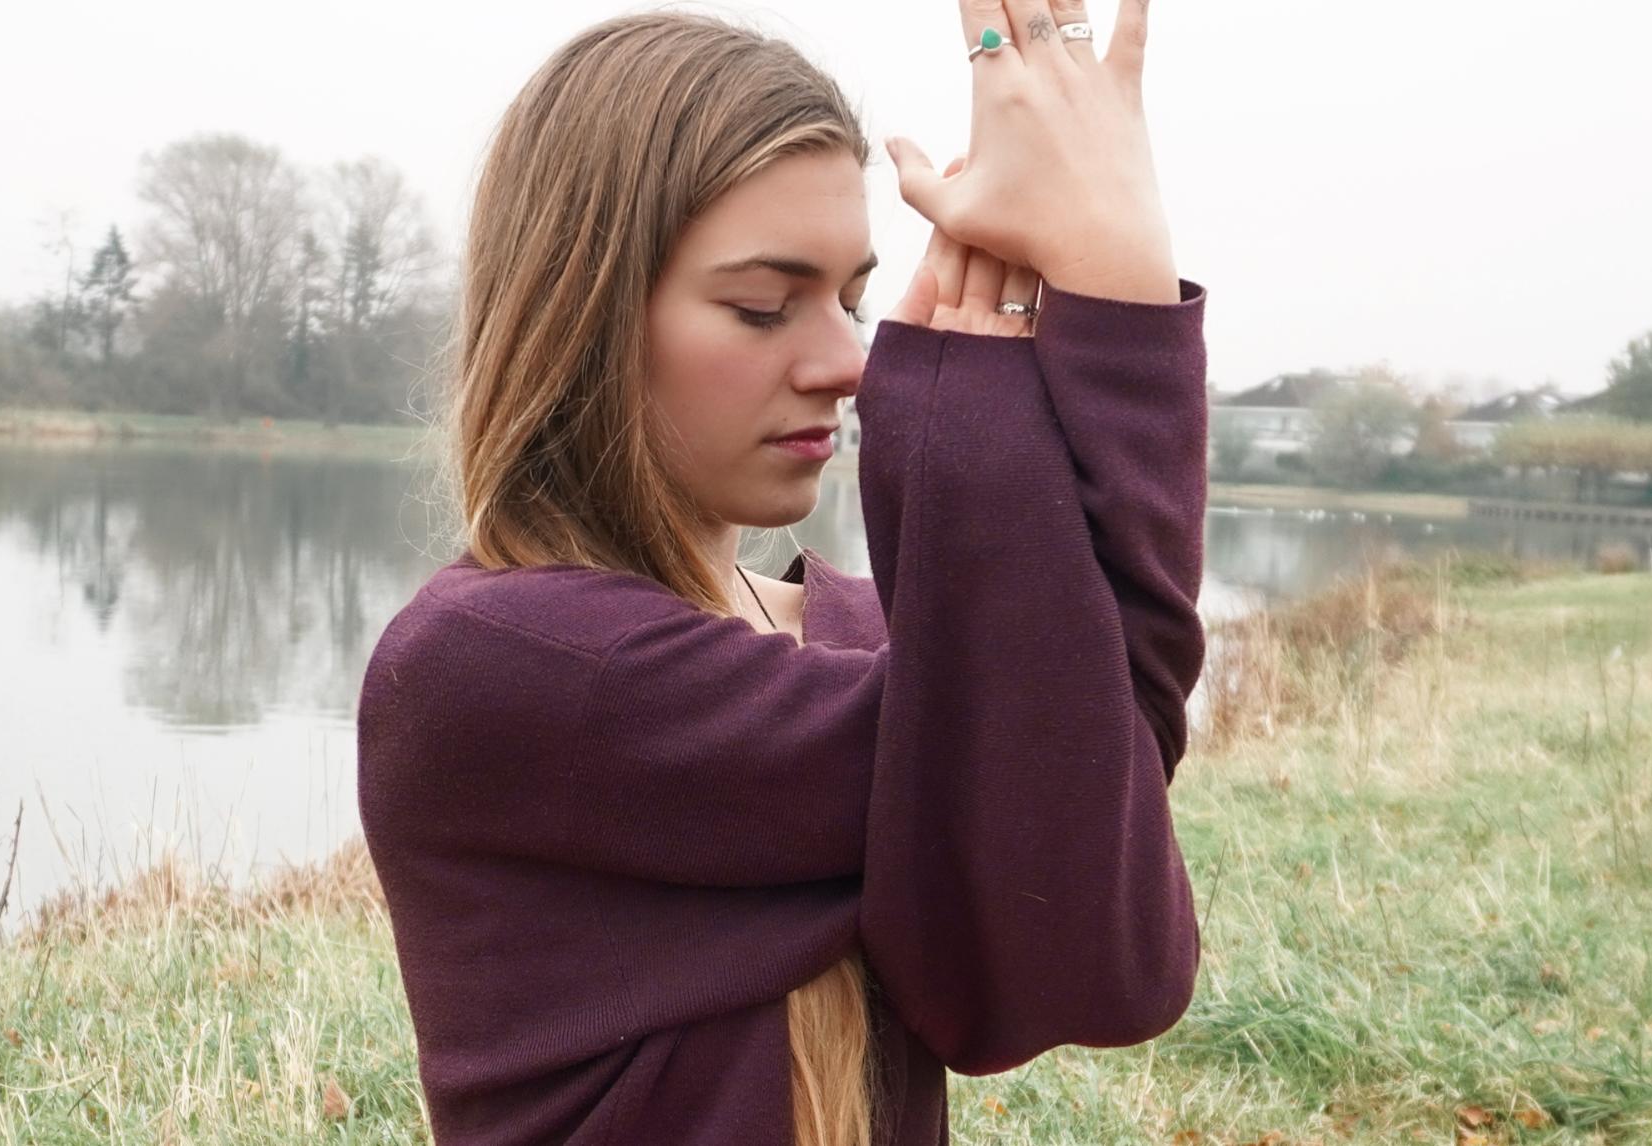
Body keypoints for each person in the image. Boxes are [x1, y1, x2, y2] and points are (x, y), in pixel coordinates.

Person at [355, 1, 1208, 1142]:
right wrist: (1092, 310)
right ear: (582, 312)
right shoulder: (499, 668)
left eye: (853, 301)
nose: (849, 364)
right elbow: (1066, 789)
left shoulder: (852, 641)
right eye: (763, 307)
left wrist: (1112, 285)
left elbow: (1085, 875)